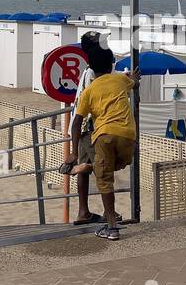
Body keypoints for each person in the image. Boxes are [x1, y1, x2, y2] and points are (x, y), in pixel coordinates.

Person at [71, 47, 139, 241]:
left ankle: (111, 227)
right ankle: (94, 166)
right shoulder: (120, 80)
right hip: (127, 134)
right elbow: (134, 82)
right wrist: (133, 77)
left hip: (104, 135)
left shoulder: (89, 91)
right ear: (111, 66)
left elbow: (77, 122)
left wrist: (74, 153)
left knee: (104, 179)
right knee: (123, 163)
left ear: (90, 67)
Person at [58, 31, 105, 225]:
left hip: (81, 128)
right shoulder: (93, 72)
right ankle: (109, 211)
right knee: (102, 168)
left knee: (84, 171)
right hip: (89, 128)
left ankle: (83, 211)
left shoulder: (87, 71)